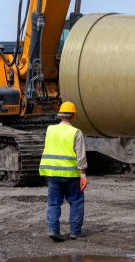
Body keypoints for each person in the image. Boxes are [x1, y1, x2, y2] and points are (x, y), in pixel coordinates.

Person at [39, 101, 88, 242]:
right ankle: (75, 232)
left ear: (60, 115)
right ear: (72, 116)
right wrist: (83, 175)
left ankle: (53, 230)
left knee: (54, 203)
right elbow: (81, 155)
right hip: (71, 175)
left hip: (53, 174)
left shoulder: (50, 129)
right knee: (76, 202)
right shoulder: (76, 132)